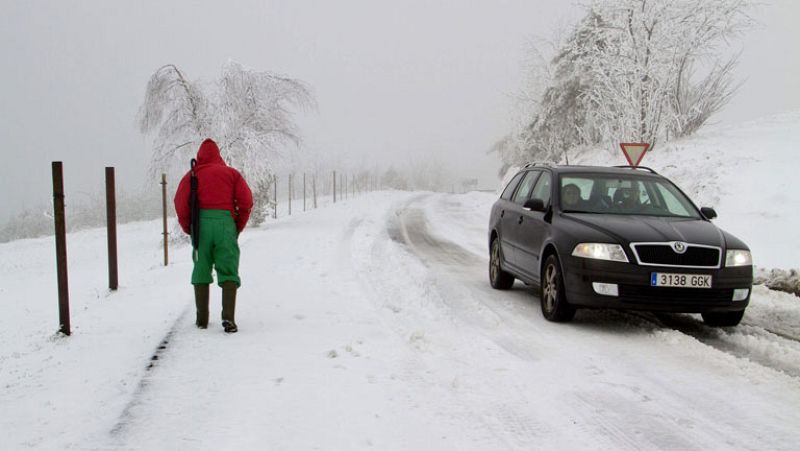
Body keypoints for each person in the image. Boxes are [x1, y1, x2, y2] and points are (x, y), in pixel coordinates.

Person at [174, 138, 253, 333]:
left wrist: (189, 227)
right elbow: (246, 201)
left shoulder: (191, 176)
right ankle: (228, 318)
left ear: (200, 156)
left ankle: (202, 320)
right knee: (228, 268)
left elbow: (179, 203)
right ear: (219, 156)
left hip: (201, 225)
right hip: (226, 224)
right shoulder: (231, 174)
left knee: (201, 267)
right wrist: (237, 227)